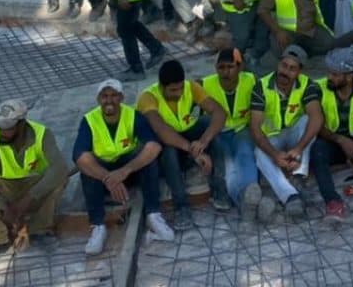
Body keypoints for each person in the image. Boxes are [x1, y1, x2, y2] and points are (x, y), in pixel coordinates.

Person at [73, 78, 173, 256]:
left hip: (128, 171)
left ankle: (153, 215)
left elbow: (154, 145)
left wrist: (124, 171)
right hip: (104, 176)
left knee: (148, 159)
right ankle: (98, 226)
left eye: (113, 96)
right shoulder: (89, 120)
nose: (109, 100)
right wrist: (108, 178)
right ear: (98, 100)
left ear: (121, 98)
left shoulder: (133, 115)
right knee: (87, 169)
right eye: (104, 96)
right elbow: (80, 156)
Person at [138, 59, 227, 228]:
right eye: (173, 90)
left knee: (211, 128)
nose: (178, 93)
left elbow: (219, 113)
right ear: (161, 86)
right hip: (165, 147)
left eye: (180, 88)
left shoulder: (190, 87)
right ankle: (181, 206)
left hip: (186, 135)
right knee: (168, 150)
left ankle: (219, 189)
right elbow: (161, 130)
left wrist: (203, 141)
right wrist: (194, 151)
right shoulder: (148, 98)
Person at [249, 45, 323, 219]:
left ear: (299, 72)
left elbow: (317, 117)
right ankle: (290, 195)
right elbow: (254, 127)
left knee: (308, 121)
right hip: (272, 137)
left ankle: (298, 176)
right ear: (278, 64)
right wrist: (274, 154)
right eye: (283, 65)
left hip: (294, 135)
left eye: (292, 68)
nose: (285, 72)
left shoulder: (307, 85)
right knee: (259, 152)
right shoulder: (261, 86)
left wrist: (298, 149)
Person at [201, 49, 274, 221]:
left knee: (245, 155)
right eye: (221, 67)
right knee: (230, 167)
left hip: (243, 130)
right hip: (218, 133)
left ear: (240, 67)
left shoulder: (251, 80)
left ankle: (249, 195)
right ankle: (246, 201)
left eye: (230, 67)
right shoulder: (204, 85)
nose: (226, 72)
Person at [0, 99, 67, 249]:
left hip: (33, 187)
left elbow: (60, 169)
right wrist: (3, 206)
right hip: (6, 188)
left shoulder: (42, 134)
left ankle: (39, 229)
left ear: (21, 124)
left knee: (59, 181)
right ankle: (2, 236)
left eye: (8, 127)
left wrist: (29, 198)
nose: (3, 131)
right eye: (1, 126)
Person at [311, 47, 353, 220]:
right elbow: (317, 126)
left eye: (335, 74)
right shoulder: (319, 88)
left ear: (349, 76)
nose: (330, 77)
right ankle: (333, 201)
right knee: (318, 150)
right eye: (330, 73)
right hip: (331, 140)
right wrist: (341, 140)